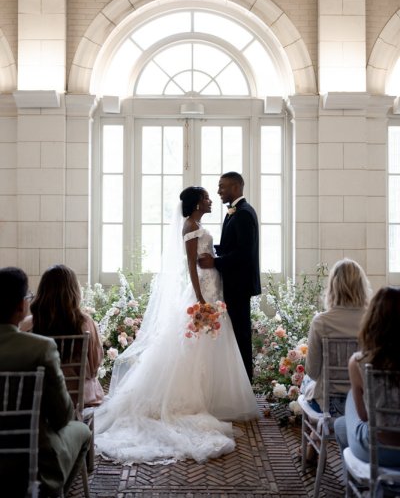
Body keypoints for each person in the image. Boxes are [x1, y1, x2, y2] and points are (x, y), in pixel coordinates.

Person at [94, 186, 258, 465]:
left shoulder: (198, 224)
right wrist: (199, 297)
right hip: (203, 291)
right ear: (196, 204)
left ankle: (213, 397)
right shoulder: (190, 226)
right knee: (198, 343)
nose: (210, 200)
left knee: (212, 343)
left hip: (213, 287)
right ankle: (193, 398)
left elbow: (206, 258)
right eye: (206, 198)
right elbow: (192, 266)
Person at [0, 266, 91, 497]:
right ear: (22, 305)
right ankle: (55, 490)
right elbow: (62, 416)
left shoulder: (35, 336)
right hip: (33, 461)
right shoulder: (40, 348)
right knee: (81, 429)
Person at [198, 172, 261, 381]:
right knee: (234, 333)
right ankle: (236, 382)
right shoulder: (234, 212)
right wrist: (207, 249)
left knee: (240, 335)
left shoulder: (243, 213)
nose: (218, 191)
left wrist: (214, 262)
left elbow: (244, 253)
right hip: (233, 283)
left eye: (221, 187)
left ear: (235, 187)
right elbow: (229, 246)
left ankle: (244, 383)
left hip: (240, 285)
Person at [20, 264, 104, 407]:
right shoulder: (86, 323)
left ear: (43, 291)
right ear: (74, 291)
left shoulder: (28, 325)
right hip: (78, 396)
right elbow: (95, 365)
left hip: (40, 396)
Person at [334, 286, 400, 468]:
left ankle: (360, 486)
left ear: (373, 320)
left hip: (379, 450)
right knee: (340, 425)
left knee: (342, 422)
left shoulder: (360, 362)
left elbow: (363, 416)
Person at [304, 258, 370, 416]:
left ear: (333, 286)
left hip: (330, 404)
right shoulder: (372, 319)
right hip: (365, 402)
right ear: (362, 286)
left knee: (306, 382)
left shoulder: (321, 321)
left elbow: (312, 371)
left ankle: (319, 432)